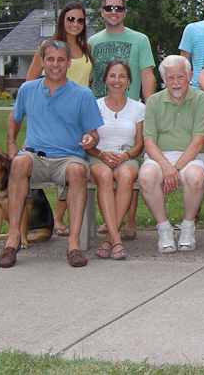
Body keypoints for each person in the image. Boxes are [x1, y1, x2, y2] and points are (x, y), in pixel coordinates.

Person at [0, 2, 93, 243]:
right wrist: (14, 140)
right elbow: (28, 88)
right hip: (46, 114)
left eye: (80, 20)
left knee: (73, 168)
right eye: (70, 19)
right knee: (19, 165)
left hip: (74, 113)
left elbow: (88, 82)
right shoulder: (45, 47)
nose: (75, 24)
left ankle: (61, 224)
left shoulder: (86, 48)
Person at [0, 40, 104, 269]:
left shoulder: (83, 94)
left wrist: (90, 139)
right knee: (19, 163)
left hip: (68, 157)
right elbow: (15, 118)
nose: (56, 64)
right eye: (51, 59)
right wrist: (11, 143)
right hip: (35, 155)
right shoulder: (28, 89)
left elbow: (93, 133)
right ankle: (13, 240)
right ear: (42, 62)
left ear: (68, 63)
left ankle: (73, 244)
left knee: (77, 171)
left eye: (61, 59)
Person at [88, 0, 156, 241]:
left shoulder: (140, 39)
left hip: (129, 107)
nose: (113, 12)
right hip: (100, 112)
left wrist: (150, 107)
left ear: (125, 12)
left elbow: (147, 75)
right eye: (109, 8)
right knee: (105, 170)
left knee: (128, 162)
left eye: (118, 8)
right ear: (102, 12)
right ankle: (112, 223)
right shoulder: (92, 42)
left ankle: (130, 220)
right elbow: (89, 76)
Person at [137, 56, 204, 254]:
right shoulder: (154, 101)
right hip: (160, 156)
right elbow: (149, 142)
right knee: (146, 177)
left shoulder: (201, 98)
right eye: (170, 77)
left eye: (180, 77)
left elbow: (199, 142)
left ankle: (188, 226)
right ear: (163, 78)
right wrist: (167, 167)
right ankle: (164, 229)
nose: (175, 82)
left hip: (192, 156)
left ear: (190, 77)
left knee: (196, 178)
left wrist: (175, 169)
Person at [84, 60, 144, 260]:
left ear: (129, 81)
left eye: (122, 76)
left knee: (126, 176)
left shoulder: (138, 108)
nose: (116, 80)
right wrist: (101, 154)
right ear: (105, 79)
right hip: (98, 157)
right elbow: (88, 141)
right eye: (112, 76)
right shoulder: (95, 105)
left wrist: (126, 156)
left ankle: (110, 238)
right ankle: (116, 239)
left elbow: (139, 144)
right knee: (104, 176)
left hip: (127, 157)